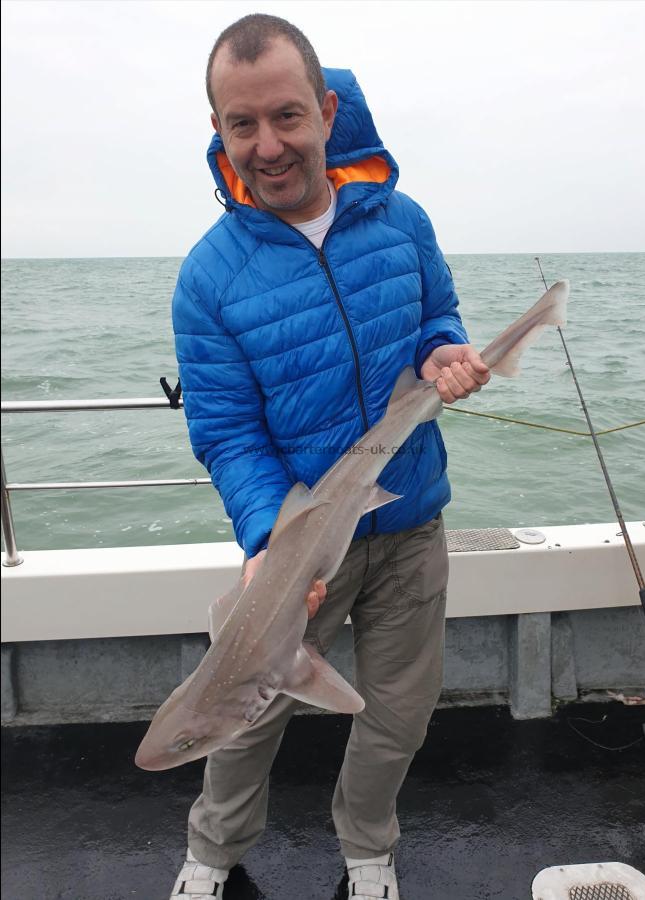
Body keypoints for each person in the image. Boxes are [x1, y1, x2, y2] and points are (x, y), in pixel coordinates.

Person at [170, 14, 489, 900]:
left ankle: (368, 850)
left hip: (409, 519)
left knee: (396, 715)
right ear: (219, 132)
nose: (267, 146)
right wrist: (274, 538)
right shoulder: (209, 276)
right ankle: (212, 851)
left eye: (286, 116)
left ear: (325, 108)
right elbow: (228, 433)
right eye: (242, 125)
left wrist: (440, 354)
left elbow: (437, 317)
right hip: (301, 545)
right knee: (242, 717)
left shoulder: (403, 221)